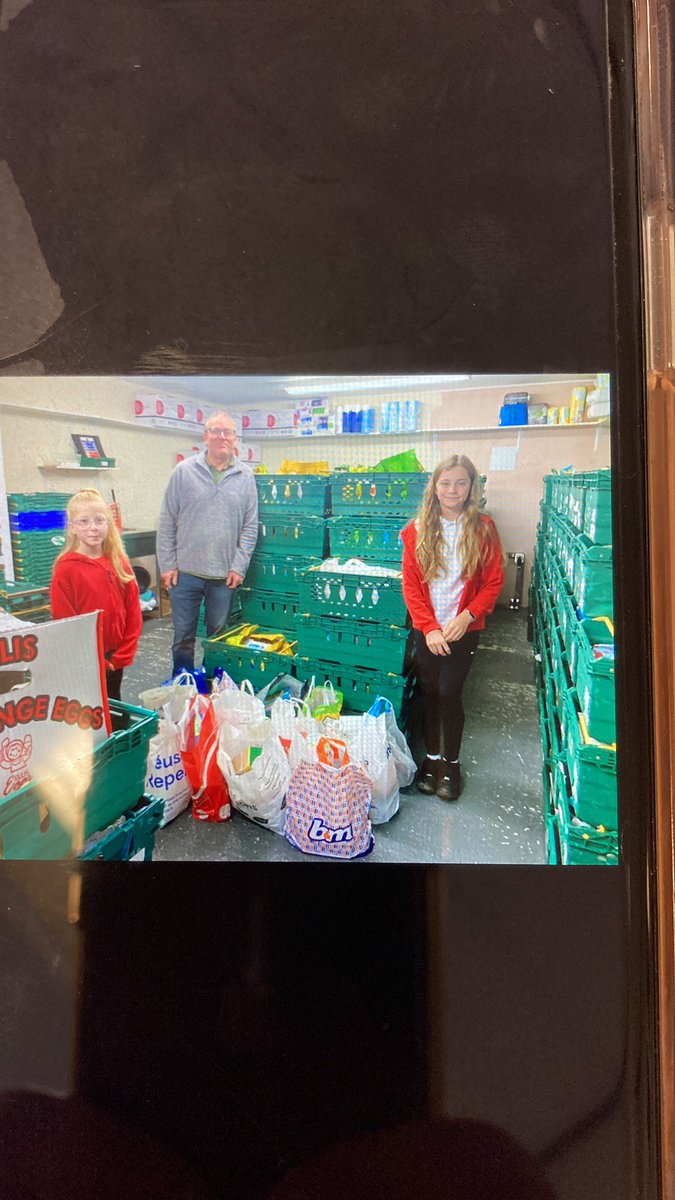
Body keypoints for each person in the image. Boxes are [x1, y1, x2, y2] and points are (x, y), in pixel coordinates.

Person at [401, 455, 504, 801]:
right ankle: (430, 760)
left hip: (464, 630)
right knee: (429, 692)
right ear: (434, 487)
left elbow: (493, 582)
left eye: (461, 482)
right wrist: (429, 628)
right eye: (445, 483)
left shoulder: (483, 529)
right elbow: (412, 586)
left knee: (449, 692)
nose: (452, 490)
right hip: (428, 629)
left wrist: (467, 616)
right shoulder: (416, 530)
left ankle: (452, 764)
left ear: (472, 487)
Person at [157, 410, 259, 676]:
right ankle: (183, 685)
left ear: (235, 439)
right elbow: (167, 520)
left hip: (224, 576)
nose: (221, 437)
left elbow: (250, 527)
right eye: (215, 431)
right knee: (183, 636)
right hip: (185, 573)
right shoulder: (183, 472)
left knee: (217, 637)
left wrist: (239, 566)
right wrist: (167, 565)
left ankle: (215, 689)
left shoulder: (246, 477)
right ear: (206, 436)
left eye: (227, 432)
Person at [50, 488, 142, 701]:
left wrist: (122, 654)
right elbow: (67, 624)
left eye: (99, 520)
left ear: (108, 524)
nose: (93, 528)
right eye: (83, 521)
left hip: (115, 657)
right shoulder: (66, 570)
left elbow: (133, 611)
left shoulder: (119, 561)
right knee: (89, 711)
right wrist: (94, 660)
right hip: (86, 659)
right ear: (72, 527)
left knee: (114, 705)